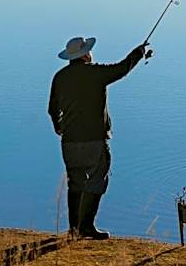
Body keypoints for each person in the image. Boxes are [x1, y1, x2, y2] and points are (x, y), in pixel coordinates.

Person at [48, 36, 147, 239]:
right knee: (97, 180)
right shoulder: (95, 73)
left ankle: (74, 229)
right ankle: (86, 226)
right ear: (85, 55)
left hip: (69, 142)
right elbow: (121, 69)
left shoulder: (60, 77)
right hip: (94, 139)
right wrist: (137, 53)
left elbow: (52, 109)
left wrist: (59, 127)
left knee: (74, 184)